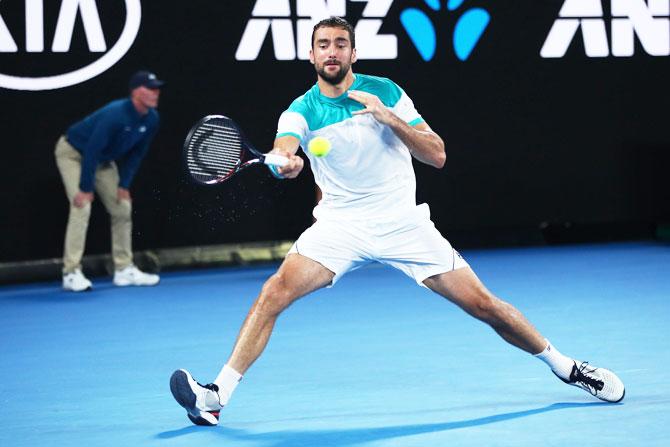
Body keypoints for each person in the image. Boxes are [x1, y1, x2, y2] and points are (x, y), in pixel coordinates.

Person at [169, 18, 625, 426]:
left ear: (352, 52)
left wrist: (390, 119)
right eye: (323, 44)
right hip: (339, 229)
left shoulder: (385, 90)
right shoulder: (299, 111)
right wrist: (285, 163)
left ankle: (567, 368)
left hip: (404, 225)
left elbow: (438, 155)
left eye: (340, 44)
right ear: (311, 55)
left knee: (485, 306)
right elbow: (286, 151)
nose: (331, 51)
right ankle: (216, 396)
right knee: (273, 293)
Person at [55, 71, 164, 292]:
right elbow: (91, 150)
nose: (156, 93)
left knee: (122, 207)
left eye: (157, 88)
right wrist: (85, 188)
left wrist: (124, 184)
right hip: (74, 153)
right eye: (150, 88)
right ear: (136, 92)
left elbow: (136, 155)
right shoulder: (115, 113)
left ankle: (123, 269)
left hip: (103, 160)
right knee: (81, 206)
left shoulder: (152, 119)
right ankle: (71, 272)